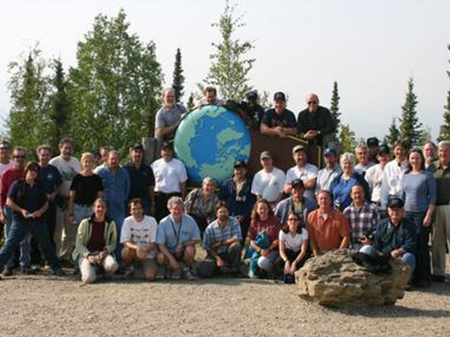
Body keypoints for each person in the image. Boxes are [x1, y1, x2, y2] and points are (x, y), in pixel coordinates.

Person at [0, 162, 65, 280]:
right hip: (20, 221)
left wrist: (40, 212)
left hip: (38, 221)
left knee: (47, 245)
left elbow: (46, 203)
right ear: (26, 171)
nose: (33, 173)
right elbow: (9, 202)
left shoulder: (39, 186)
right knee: (9, 246)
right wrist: (21, 211)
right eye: (31, 170)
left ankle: (56, 267)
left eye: (35, 171)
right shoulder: (17, 184)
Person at [401, 148, 435, 287]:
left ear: (421, 159)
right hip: (408, 214)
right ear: (409, 159)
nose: (415, 160)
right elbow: (403, 196)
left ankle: (425, 277)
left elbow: (433, 198)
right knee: (410, 246)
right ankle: (411, 276)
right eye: (412, 158)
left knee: (422, 245)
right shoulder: (405, 175)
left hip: (421, 214)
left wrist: (428, 215)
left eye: (417, 157)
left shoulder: (427, 176)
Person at [360, 197, 416, 273]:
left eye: (398, 209)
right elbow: (377, 245)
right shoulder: (381, 224)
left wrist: (397, 251)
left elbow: (411, 244)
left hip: (399, 257)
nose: (395, 212)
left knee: (409, 257)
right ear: (388, 211)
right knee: (366, 249)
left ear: (403, 211)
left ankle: (403, 281)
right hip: (383, 256)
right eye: (392, 209)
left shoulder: (410, 226)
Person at [94, 150, 130, 267]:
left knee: (119, 234)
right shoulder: (99, 171)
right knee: (102, 234)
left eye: (116, 159)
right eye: (112, 158)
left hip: (119, 209)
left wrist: (121, 199)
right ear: (107, 159)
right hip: (103, 210)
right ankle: (100, 261)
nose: (114, 161)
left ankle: (118, 262)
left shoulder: (124, 172)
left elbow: (127, 189)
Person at [72, 198, 118, 284]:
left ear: (106, 209)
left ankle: (99, 270)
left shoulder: (111, 223)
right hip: (87, 255)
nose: (100, 209)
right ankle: (90, 270)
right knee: (88, 279)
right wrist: (88, 255)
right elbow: (78, 244)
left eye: (103, 207)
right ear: (94, 208)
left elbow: (113, 243)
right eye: (98, 207)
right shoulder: (85, 223)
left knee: (113, 266)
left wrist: (106, 251)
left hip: (102, 254)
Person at [49, 138, 80, 264]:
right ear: (60, 148)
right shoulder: (54, 162)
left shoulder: (76, 161)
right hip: (58, 199)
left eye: (69, 148)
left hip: (72, 199)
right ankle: (55, 256)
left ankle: (66, 256)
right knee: (57, 229)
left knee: (71, 229)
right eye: (65, 148)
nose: (67, 150)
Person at [68, 153, 104, 259]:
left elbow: (99, 197)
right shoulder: (77, 178)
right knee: (78, 236)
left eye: (90, 162)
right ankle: (76, 261)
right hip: (78, 208)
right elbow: (71, 197)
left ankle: (90, 259)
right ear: (82, 163)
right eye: (85, 161)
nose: (87, 164)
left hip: (91, 209)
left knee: (90, 235)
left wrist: (99, 212)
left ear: (93, 163)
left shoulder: (97, 178)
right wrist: (70, 213)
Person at [32, 145, 62, 270]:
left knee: (50, 233)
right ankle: (35, 261)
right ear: (38, 155)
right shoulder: (33, 169)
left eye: (47, 155)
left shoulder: (53, 170)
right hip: (35, 206)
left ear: (50, 156)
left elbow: (59, 184)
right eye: (42, 155)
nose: (44, 157)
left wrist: (54, 193)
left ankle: (50, 261)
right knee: (34, 234)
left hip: (50, 206)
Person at [156, 197, 201, 280]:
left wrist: (183, 244)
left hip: (183, 251)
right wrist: (171, 259)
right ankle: (169, 267)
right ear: (169, 209)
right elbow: (160, 244)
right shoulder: (163, 223)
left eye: (180, 209)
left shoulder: (190, 220)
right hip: (169, 251)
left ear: (183, 209)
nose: (177, 211)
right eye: (174, 209)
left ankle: (186, 268)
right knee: (160, 257)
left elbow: (197, 239)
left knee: (190, 249)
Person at [196, 202, 243, 278]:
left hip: (229, 253)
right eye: (220, 212)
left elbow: (238, 238)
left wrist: (221, 243)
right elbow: (207, 247)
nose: (223, 214)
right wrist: (218, 259)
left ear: (228, 212)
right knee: (204, 271)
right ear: (216, 214)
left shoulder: (234, 221)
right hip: (215, 254)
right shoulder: (210, 228)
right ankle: (221, 270)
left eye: (225, 212)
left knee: (236, 246)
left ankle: (235, 270)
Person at [0, 147, 28, 275]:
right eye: (17, 157)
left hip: (24, 210)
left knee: (25, 239)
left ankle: (24, 264)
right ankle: (8, 265)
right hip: (9, 209)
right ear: (13, 157)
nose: (20, 159)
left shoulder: (28, 173)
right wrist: (1, 212)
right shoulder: (7, 173)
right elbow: (1, 194)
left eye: (22, 157)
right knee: (9, 239)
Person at [426, 141, 450, 283]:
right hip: (436, 207)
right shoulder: (432, 167)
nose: (443, 153)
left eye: (446, 150)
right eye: (441, 150)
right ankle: (438, 272)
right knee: (437, 241)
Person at [121, 198, 159, 281]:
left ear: (142, 209)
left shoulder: (152, 221)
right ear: (130, 211)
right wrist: (137, 248)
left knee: (150, 277)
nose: (136, 211)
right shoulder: (127, 221)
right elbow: (125, 242)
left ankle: (148, 267)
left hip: (148, 254)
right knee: (125, 251)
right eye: (134, 209)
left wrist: (145, 250)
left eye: (139, 208)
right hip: (134, 251)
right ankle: (129, 268)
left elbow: (154, 243)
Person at [151, 141, 188, 221]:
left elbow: (183, 183)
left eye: (168, 150)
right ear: (161, 152)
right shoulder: (155, 165)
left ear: (172, 151)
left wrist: (183, 200)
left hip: (174, 196)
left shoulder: (179, 164)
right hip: (159, 197)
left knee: (174, 220)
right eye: (164, 150)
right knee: (159, 220)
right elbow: (151, 183)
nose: (166, 152)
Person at [307, 190, 351, 256]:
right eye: (321, 199)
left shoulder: (340, 216)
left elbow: (346, 236)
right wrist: (316, 255)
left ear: (330, 201)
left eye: (325, 198)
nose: (323, 201)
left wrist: (338, 254)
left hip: (336, 253)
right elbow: (311, 238)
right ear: (317, 201)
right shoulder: (311, 216)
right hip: (319, 253)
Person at [219, 160, 255, 239]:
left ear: (246, 171)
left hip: (244, 220)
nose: (239, 171)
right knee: (227, 240)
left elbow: (252, 203)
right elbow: (222, 201)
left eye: (241, 169)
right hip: (228, 218)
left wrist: (244, 216)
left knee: (240, 242)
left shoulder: (251, 184)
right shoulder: (227, 184)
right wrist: (228, 215)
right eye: (237, 169)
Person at [247, 199, 283, 279]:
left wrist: (269, 249)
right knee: (253, 274)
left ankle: (274, 272)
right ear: (256, 210)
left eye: (265, 208)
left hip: (273, 250)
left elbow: (279, 239)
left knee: (262, 262)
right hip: (259, 250)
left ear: (268, 209)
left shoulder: (275, 221)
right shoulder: (254, 222)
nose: (263, 210)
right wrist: (260, 250)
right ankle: (261, 272)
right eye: (260, 208)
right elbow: (251, 240)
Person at [343, 184, 379, 250]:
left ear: (364, 194)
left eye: (360, 192)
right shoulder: (347, 211)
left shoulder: (373, 209)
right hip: (352, 246)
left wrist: (370, 239)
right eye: (355, 193)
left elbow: (377, 229)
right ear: (351, 195)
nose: (357, 195)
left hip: (368, 245)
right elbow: (345, 231)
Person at [123, 143, 155, 216]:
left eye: (140, 152)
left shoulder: (148, 169)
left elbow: (151, 187)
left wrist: (153, 203)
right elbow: (122, 187)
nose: (138, 154)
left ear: (143, 154)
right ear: (131, 153)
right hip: (129, 202)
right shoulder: (125, 169)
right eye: (136, 152)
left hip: (144, 202)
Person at [277, 212, 309, 284]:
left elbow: (303, 251)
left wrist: (295, 263)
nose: (293, 221)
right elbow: (281, 250)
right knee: (279, 262)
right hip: (289, 252)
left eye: (295, 220)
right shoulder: (282, 232)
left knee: (303, 264)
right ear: (287, 221)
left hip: (299, 254)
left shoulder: (304, 232)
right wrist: (286, 261)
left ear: (299, 222)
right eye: (290, 219)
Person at [380, 140, 408, 210]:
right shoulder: (389, 166)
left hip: (407, 200)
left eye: (402, 149)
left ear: (405, 151)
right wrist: (384, 205)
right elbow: (385, 187)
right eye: (397, 149)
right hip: (392, 200)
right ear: (393, 151)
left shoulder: (410, 165)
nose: (399, 152)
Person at [365, 144, 390, 213]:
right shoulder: (371, 171)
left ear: (389, 156)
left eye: (385, 155)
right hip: (375, 204)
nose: (383, 157)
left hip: (390, 204)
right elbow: (367, 189)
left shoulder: (393, 169)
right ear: (377, 157)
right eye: (381, 155)